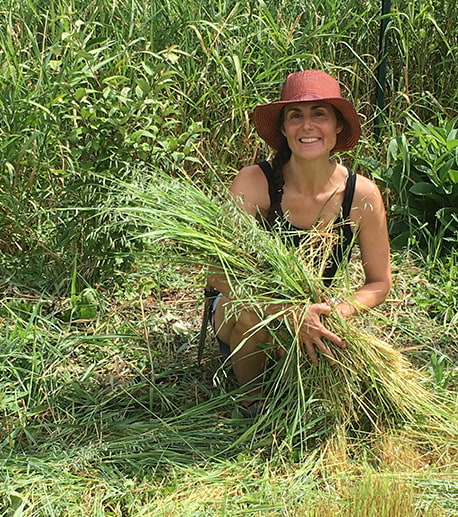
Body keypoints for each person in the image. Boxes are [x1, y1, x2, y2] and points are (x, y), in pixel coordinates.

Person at [206, 70, 391, 412]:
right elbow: (218, 274)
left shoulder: (360, 194)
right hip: (244, 309)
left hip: (317, 309)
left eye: (319, 113)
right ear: (283, 129)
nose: (307, 126)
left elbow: (379, 283)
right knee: (249, 314)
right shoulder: (254, 183)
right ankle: (252, 403)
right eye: (296, 116)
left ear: (337, 125)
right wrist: (286, 311)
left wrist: (337, 311)